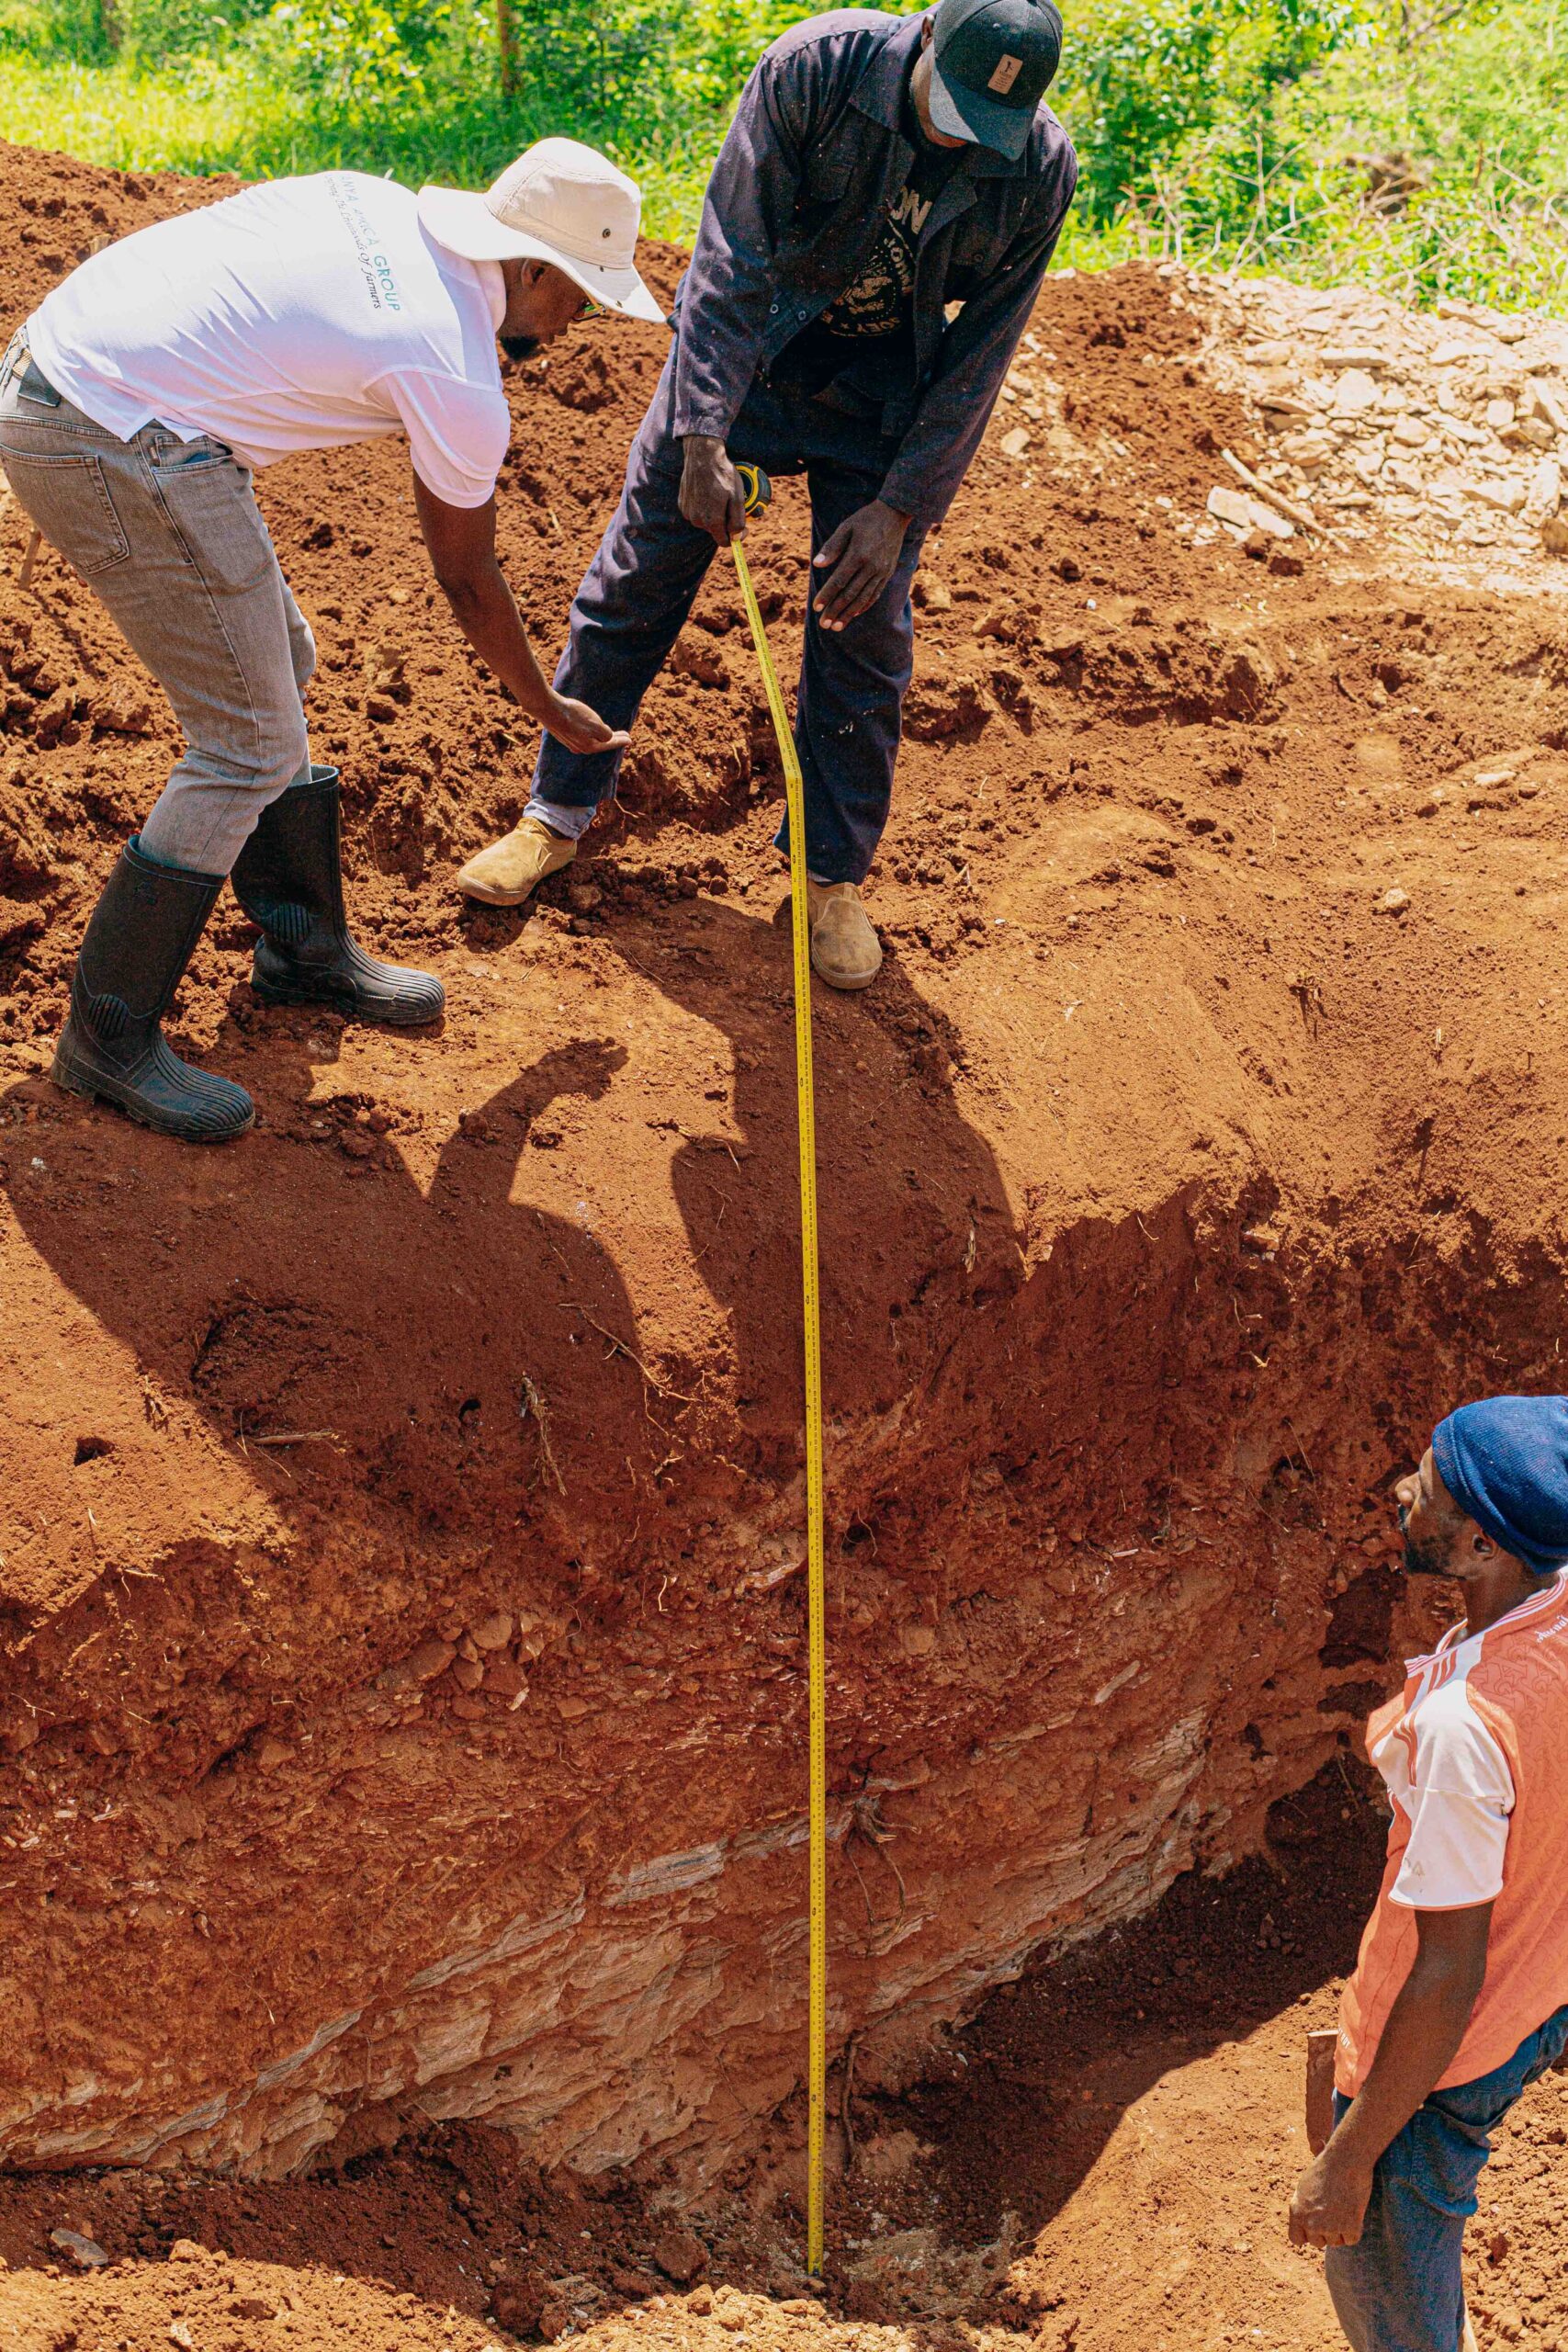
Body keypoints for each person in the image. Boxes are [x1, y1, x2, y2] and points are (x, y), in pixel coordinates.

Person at [0, 140, 660, 1143]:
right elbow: (467, 580)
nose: (576, 328)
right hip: (109, 430)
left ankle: (302, 946)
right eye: (579, 298)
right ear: (533, 270)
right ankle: (108, 1034)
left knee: (283, 669)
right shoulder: (452, 367)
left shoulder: (370, 201)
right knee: (247, 742)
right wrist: (548, 707)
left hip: (84, 376)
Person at [455, 0, 1077, 993]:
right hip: (745, 358)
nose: (964, 134)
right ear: (924, 38)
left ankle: (829, 877)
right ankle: (554, 816)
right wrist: (702, 430)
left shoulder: (1038, 166)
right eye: (954, 104)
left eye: (986, 124)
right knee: (637, 579)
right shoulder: (814, 70)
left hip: (883, 393)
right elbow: (731, 254)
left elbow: (982, 350)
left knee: (863, 628)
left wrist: (903, 506)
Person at [1289, 1394, 1568, 2352]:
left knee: (1391, 2302)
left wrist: (1352, 2155)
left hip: (1435, 2067)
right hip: (1539, 1997)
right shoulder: (1557, 1611)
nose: (1405, 1489)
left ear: (1483, 1545)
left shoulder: (1466, 1729)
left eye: (1431, 1486)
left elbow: (1446, 1972)